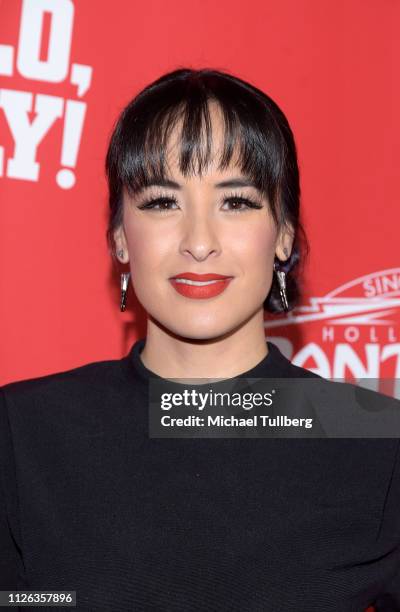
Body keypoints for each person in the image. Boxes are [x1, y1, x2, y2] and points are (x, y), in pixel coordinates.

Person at [0, 68, 399, 611]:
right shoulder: (23, 435)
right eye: (163, 201)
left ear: (283, 232)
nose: (199, 242)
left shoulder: (379, 443)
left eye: (236, 201)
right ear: (120, 234)